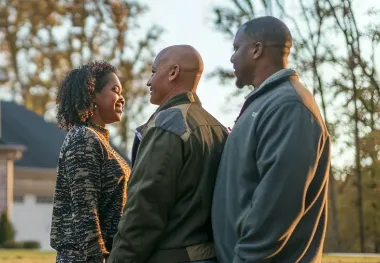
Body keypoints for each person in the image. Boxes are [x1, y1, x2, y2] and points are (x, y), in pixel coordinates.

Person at [212, 16, 331, 263]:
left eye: (236, 48)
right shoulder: (267, 103)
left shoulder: (289, 107)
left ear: (256, 50)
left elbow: (278, 205)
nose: (232, 58)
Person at [108, 45, 228, 263]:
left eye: (154, 71)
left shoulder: (168, 125)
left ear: (173, 72)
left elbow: (144, 209)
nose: (148, 81)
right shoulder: (218, 128)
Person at [50, 61, 131, 263]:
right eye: (115, 90)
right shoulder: (83, 138)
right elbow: (86, 212)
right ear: (92, 95)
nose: (121, 98)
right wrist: (98, 258)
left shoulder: (99, 139)